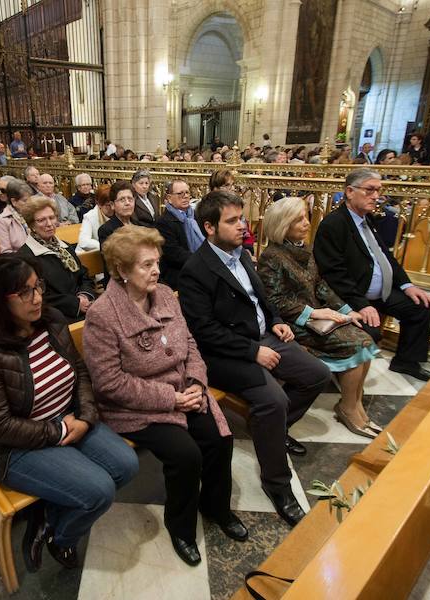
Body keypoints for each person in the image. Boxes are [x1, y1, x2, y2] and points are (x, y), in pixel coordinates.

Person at [83, 225, 245, 566]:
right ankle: (181, 527)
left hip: (184, 389)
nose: (156, 269)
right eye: (145, 265)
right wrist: (171, 399)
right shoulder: (103, 314)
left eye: (156, 262)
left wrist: (198, 384)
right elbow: (109, 383)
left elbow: (190, 346)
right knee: (186, 455)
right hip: (134, 407)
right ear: (122, 270)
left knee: (219, 439)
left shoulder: (167, 295)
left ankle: (216, 508)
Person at [0, 255, 139, 570]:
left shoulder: (52, 321)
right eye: (24, 293)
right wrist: (61, 431)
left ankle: (49, 513)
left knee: (126, 465)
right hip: (16, 446)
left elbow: (80, 370)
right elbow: (0, 426)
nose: (37, 299)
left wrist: (86, 418)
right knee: (99, 491)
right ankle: (60, 539)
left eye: (38, 287)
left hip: (69, 418)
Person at [178, 191, 331, 527]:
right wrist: (253, 351)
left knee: (318, 374)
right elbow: (203, 332)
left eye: (241, 218)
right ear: (209, 227)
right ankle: (277, 484)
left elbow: (262, 298)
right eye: (232, 221)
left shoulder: (243, 254)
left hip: (262, 337)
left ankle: (275, 430)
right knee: (273, 400)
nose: (241, 226)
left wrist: (276, 320)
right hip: (223, 354)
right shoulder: (195, 270)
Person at [257, 197, 382, 438]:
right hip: (293, 322)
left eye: (306, 216)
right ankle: (348, 407)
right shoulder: (272, 256)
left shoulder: (305, 248)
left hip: (316, 316)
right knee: (357, 344)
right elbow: (274, 301)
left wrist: (346, 310)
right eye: (299, 219)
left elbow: (321, 286)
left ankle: (355, 404)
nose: (307, 223)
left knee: (364, 337)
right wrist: (314, 313)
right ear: (283, 224)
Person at [314, 168, 430, 382]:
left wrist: (407, 285)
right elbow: (334, 273)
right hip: (352, 297)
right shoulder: (334, 225)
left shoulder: (367, 220)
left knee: (420, 307)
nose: (376, 197)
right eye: (370, 190)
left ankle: (406, 361)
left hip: (381, 294)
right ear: (350, 192)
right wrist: (361, 304)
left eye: (378, 191)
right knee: (370, 332)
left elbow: (386, 258)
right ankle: (345, 376)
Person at [17, 197, 94, 321]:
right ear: (32, 224)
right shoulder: (26, 257)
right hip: (56, 317)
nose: (49, 224)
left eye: (52, 218)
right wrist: (75, 304)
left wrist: (84, 295)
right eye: (41, 220)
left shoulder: (65, 246)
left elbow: (83, 275)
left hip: (85, 306)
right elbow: (39, 296)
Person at [156, 179, 203, 289]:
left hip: (196, 265)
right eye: (180, 193)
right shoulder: (164, 222)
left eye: (187, 192)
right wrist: (201, 259)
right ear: (169, 198)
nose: (185, 196)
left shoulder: (194, 216)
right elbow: (174, 254)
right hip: (177, 273)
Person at [98, 180, 145, 249]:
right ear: (112, 205)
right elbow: (110, 258)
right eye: (122, 200)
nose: (127, 203)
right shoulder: (106, 230)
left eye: (130, 199)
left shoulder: (139, 225)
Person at [0, 180, 31, 253]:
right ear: (14, 201)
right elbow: (6, 252)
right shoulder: (2, 220)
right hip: (18, 260)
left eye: (30, 200)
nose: (29, 203)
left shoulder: (31, 213)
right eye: (25, 201)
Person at [76, 185, 112, 252]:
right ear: (99, 204)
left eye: (113, 204)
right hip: (87, 256)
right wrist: (107, 246)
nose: (112, 208)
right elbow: (83, 242)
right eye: (108, 205)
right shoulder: (90, 216)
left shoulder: (118, 212)